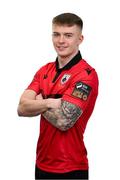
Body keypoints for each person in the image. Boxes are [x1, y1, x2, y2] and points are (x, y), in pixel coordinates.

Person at [17, 13, 99, 179]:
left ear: (80, 39)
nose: (61, 41)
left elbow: (64, 121)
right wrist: (50, 102)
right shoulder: (44, 70)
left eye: (68, 35)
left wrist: (39, 102)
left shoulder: (86, 75)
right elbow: (21, 108)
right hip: (41, 163)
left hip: (71, 168)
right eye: (56, 34)